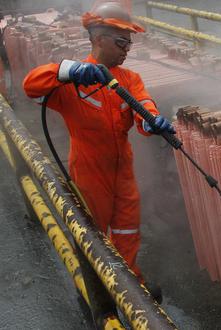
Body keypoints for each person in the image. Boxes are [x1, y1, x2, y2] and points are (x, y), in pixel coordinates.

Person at [22, 2, 172, 300]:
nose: (127, 48)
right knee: (93, 234)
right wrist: (69, 71)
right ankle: (96, 292)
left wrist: (152, 121)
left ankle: (129, 286)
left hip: (123, 171)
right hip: (89, 172)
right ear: (97, 37)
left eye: (129, 41)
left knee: (128, 230)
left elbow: (142, 106)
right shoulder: (71, 84)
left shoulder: (129, 80)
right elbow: (30, 85)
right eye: (121, 41)